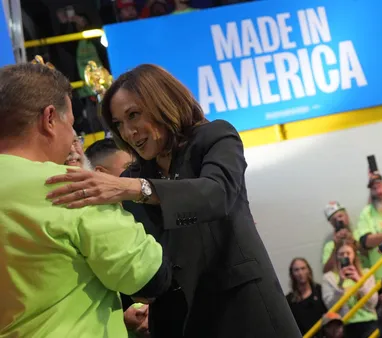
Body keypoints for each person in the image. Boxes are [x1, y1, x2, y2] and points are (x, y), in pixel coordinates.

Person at [45, 64, 300, 338]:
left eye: (134, 115)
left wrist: (136, 188)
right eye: (119, 124)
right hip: (176, 320)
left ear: (162, 104)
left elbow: (216, 195)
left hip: (243, 309)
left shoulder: (214, 137)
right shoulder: (133, 176)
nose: (129, 132)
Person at [0, 63, 172, 337]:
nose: (72, 138)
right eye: (71, 125)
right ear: (49, 119)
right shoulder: (72, 186)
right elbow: (149, 278)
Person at [322, 239, 378, 338]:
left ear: (354, 255)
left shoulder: (366, 273)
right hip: (345, 325)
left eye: (348, 253)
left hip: (368, 321)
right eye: (341, 254)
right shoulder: (329, 278)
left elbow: (373, 302)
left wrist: (360, 282)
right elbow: (331, 307)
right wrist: (340, 284)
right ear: (336, 256)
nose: (345, 256)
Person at [286, 258, 328, 336]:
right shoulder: (289, 300)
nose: (300, 273)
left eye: (303, 268)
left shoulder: (320, 290)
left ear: (308, 270)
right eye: (296, 270)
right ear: (292, 274)